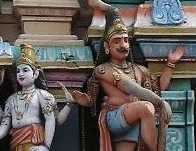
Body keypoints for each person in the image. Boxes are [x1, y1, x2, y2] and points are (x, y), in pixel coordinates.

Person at [72, 8, 184, 151]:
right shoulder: (103, 70)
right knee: (146, 107)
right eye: (117, 41)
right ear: (107, 46)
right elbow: (132, 88)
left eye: (125, 40)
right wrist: (160, 102)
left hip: (134, 118)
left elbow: (159, 87)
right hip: (115, 116)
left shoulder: (140, 70)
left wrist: (170, 64)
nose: (123, 45)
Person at [0, 44, 57, 151]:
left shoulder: (41, 95)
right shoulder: (12, 99)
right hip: (16, 140)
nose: (20, 74)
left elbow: (50, 120)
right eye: (18, 71)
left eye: (25, 70)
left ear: (35, 74)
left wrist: (46, 146)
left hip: (33, 140)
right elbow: (5, 124)